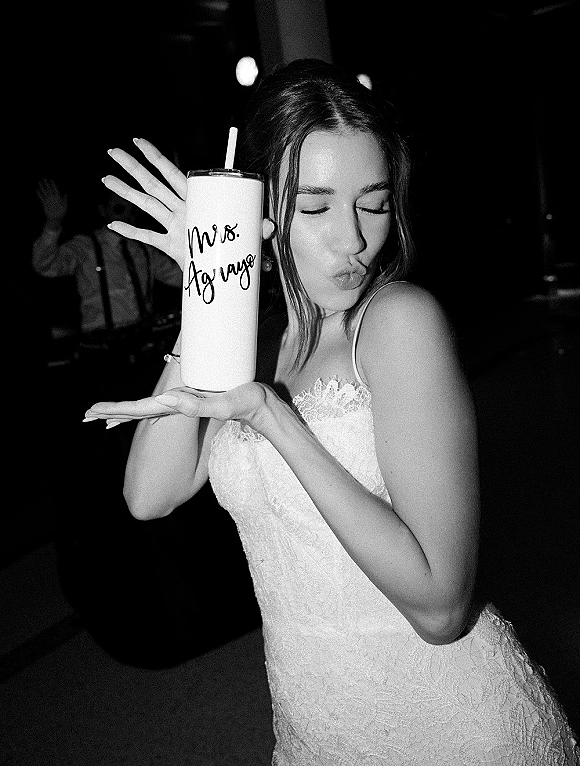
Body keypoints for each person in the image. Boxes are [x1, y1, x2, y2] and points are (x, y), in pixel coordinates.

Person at [84, 60, 578, 764]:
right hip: (317, 728)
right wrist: (208, 287)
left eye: (372, 203)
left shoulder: (397, 323)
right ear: (260, 214)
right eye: (315, 207)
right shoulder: (246, 336)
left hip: (449, 725)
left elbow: (440, 606)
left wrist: (273, 418)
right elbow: (149, 495)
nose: (352, 240)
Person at [33, 178, 182, 401]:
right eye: (119, 208)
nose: (127, 216)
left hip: (142, 345)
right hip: (100, 349)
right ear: (102, 210)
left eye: (132, 210)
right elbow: (46, 264)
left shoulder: (143, 248)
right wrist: (53, 225)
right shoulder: (85, 246)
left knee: (147, 402)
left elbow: (181, 278)